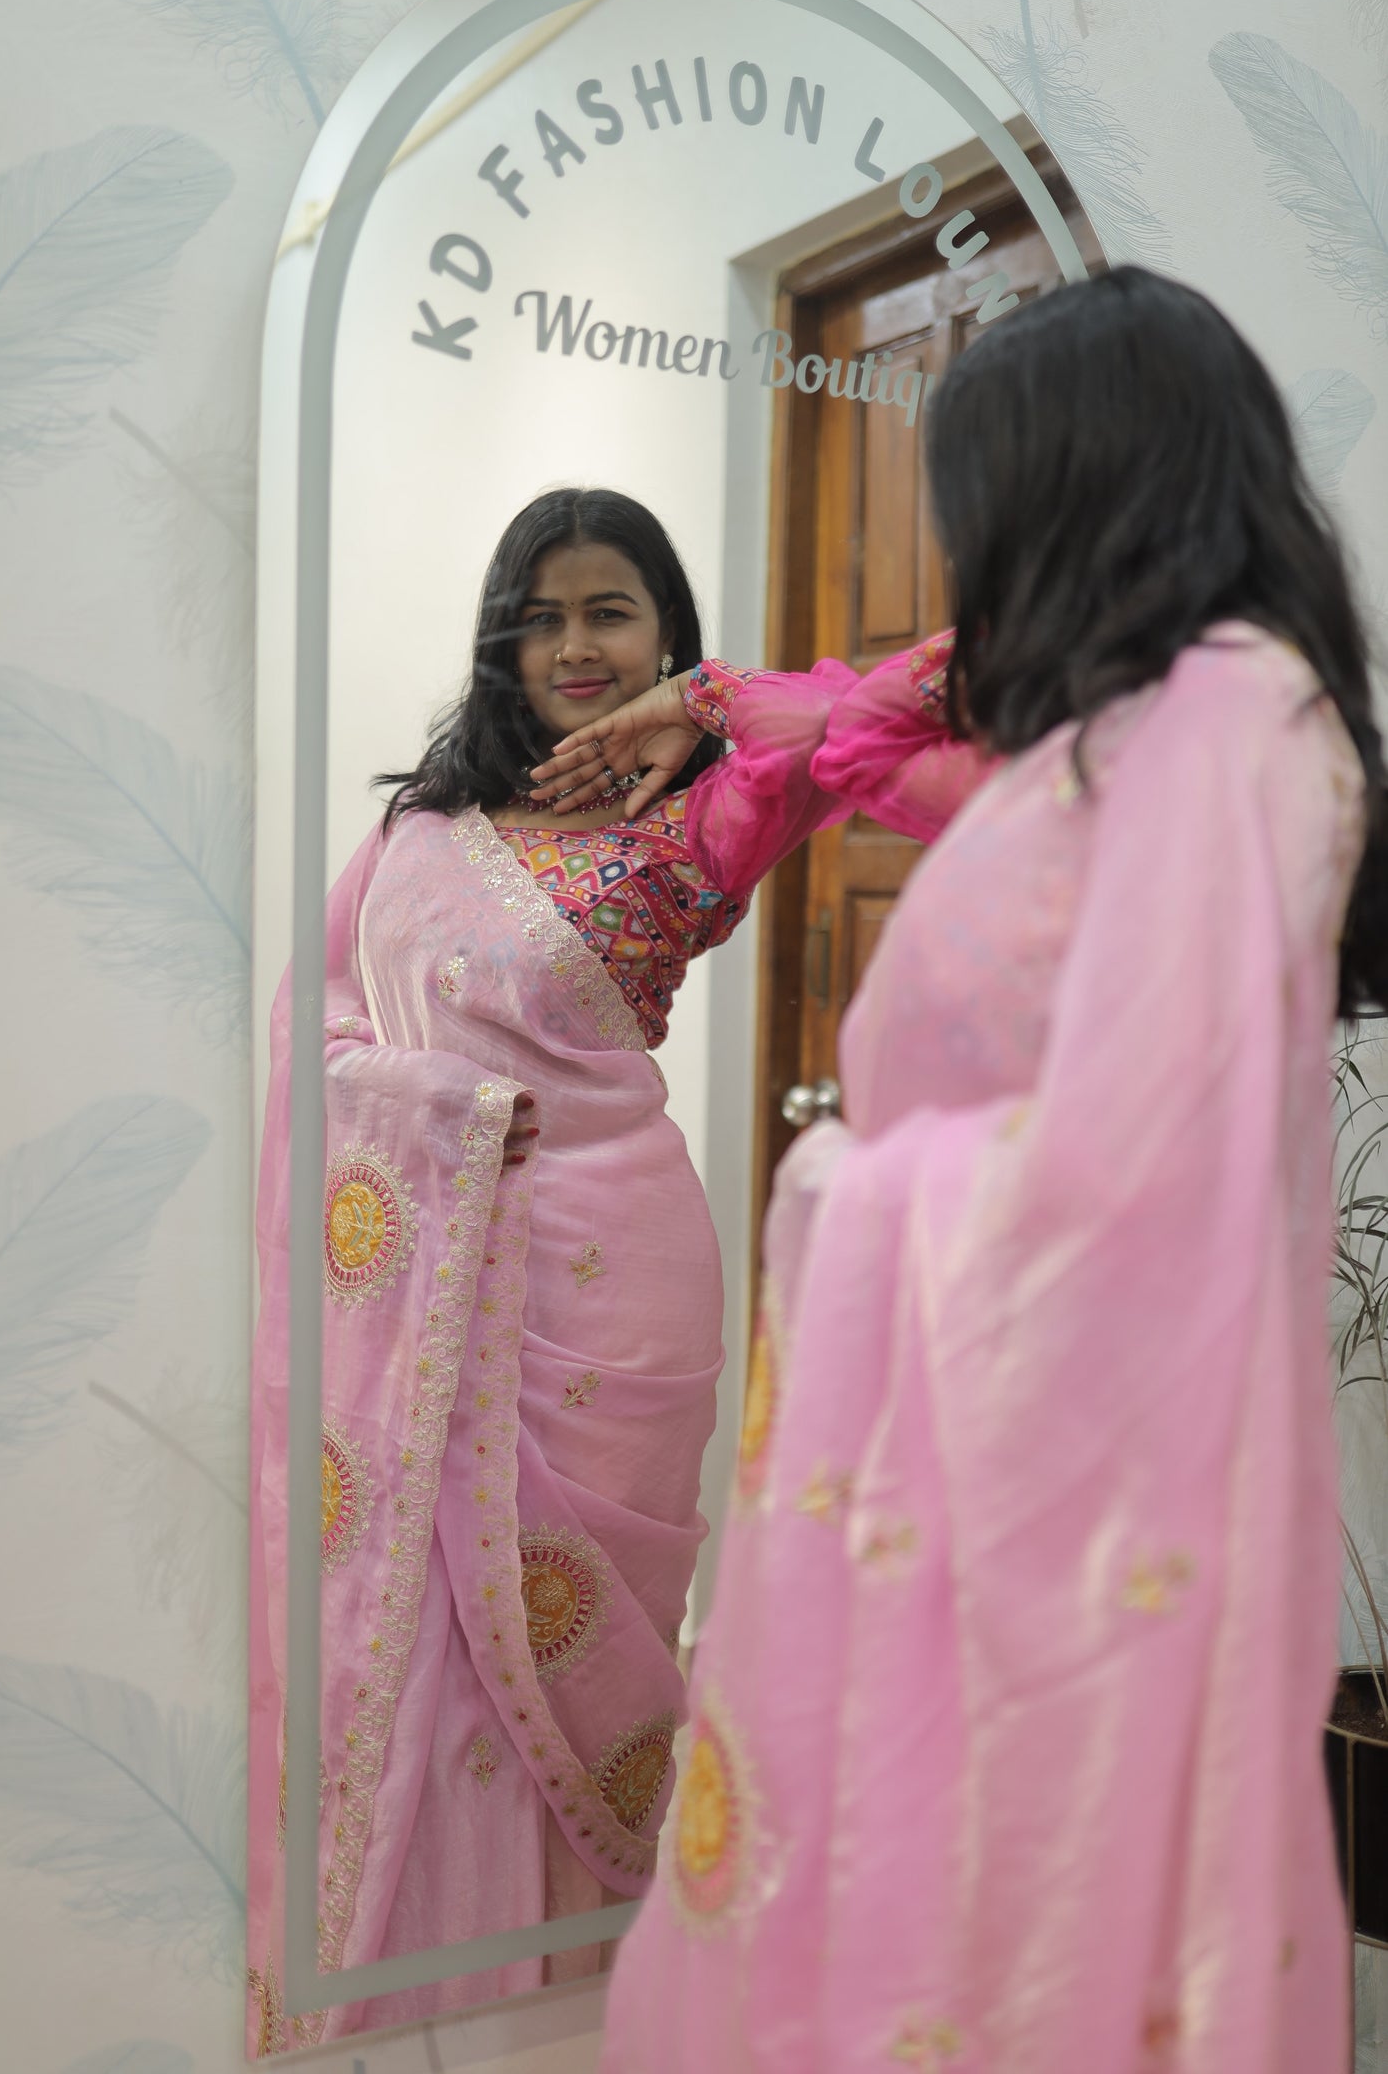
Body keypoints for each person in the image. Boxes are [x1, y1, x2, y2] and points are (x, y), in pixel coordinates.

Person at [582, 268, 1388, 2073]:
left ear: (1085, 484)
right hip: (1014, 1468)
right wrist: (716, 700)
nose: (975, 553)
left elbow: (1133, 1160)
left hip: (1081, 1493)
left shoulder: (1233, 717)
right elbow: (866, 739)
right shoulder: (1111, 742)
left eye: (987, 501)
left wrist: (846, 1195)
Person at [244, 487, 982, 2053]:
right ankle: (426, 1985)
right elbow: (318, 1027)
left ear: (664, 632)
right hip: (442, 1262)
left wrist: (704, 704)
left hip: (612, 1286)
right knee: (430, 1647)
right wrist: (431, 1107)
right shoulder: (418, 829)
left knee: (582, 1639)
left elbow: (919, 693)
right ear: (500, 638)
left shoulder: (712, 810)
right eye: (544, 616)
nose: (575, 646)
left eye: (611, 613)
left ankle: (577, 2007)